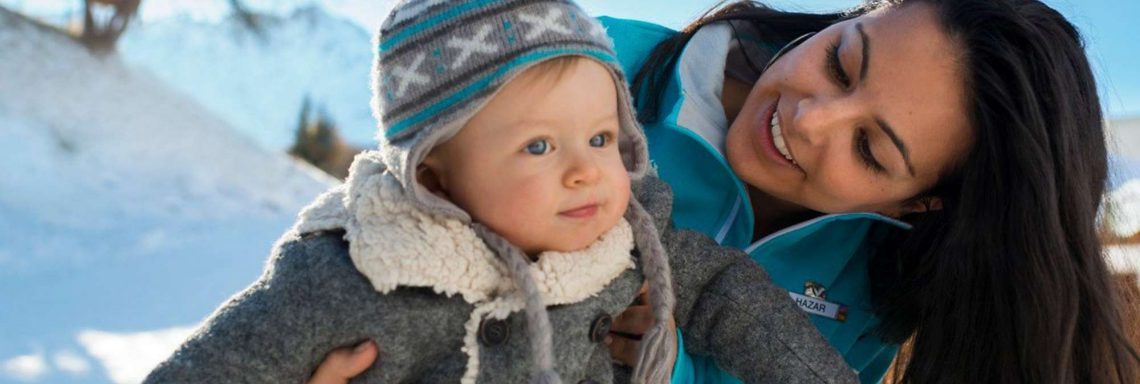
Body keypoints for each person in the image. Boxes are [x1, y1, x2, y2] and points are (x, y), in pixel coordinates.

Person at [311, 0, 1140, 383]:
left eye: (869, 148)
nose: (809, 118)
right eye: (842, 58)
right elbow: (386, 217)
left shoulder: (887, 281)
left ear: (922, 203)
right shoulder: (595, 71)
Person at [148, 1, 867, 383]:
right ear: (436, 177)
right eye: (537, 147)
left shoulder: (623, 241)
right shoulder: (359, 272)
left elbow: (726, 299)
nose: (586, 171)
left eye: (601, 139)